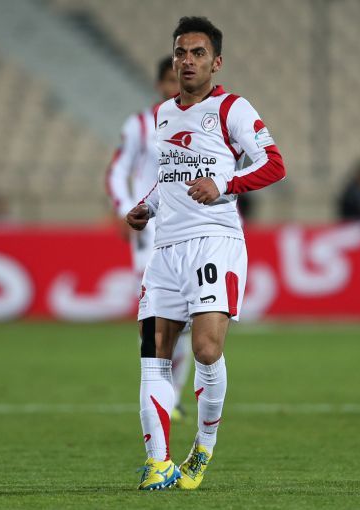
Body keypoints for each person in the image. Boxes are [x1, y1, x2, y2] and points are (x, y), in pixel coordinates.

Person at [126, 16, 286, 491]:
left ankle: (204, 445)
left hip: (214, 241)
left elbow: (274, 164)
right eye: (181, 53)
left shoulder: (232, 108)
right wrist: (148, 205)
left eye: (198, 53)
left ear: (216, 62)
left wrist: (225, 185)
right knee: (154, 352)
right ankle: (158, 462)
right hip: (166, 248)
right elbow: (169, 177)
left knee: (206, 349)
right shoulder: (163, 114)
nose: (187, 61)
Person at [105, 57, 192, 421]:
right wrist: (127, 209)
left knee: (188, 322)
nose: (176, 86)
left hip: (191, 230)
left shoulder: (203, 123)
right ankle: (158, 394)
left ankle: (172, 397)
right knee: (155, 315)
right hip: (151, 230)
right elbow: (117, 172)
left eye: (181, 79)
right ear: (159, 85)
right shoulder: (140, 124)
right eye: (170, 80)